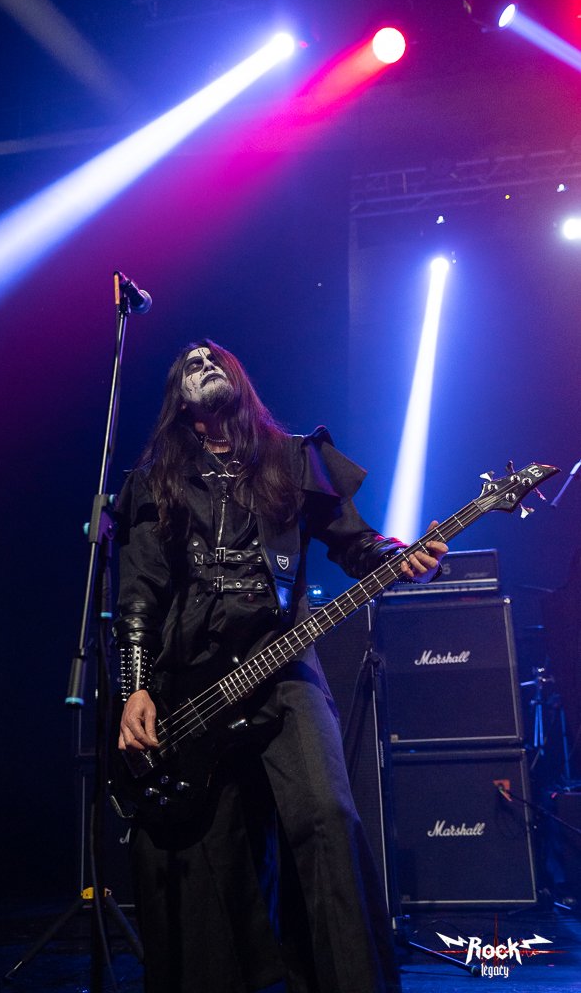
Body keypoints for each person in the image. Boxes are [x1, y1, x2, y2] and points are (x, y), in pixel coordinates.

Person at [114, 341, 447, 993]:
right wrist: (135, 688)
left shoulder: (292, 460)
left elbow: (356, 544)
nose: (204, 364)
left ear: (239, 376)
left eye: (214, 358)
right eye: (189, 364)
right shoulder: (155, 481)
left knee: (327, 817)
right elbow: (138, 594)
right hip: (193, 683)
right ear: (179, 400)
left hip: (284, 663)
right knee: (210, 852)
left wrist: (397, 558)